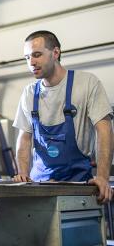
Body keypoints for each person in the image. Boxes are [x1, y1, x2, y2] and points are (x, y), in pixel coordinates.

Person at [13, 30, 113, 203]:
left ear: (56, 53)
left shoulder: (87, 83)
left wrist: (102, 177)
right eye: (27, 57)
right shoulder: (29, 93)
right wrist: (23, 173)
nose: (32, 62)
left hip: (80, 186)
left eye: (37, 55)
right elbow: (24, 139)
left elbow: (104, 129)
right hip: (39, 188)